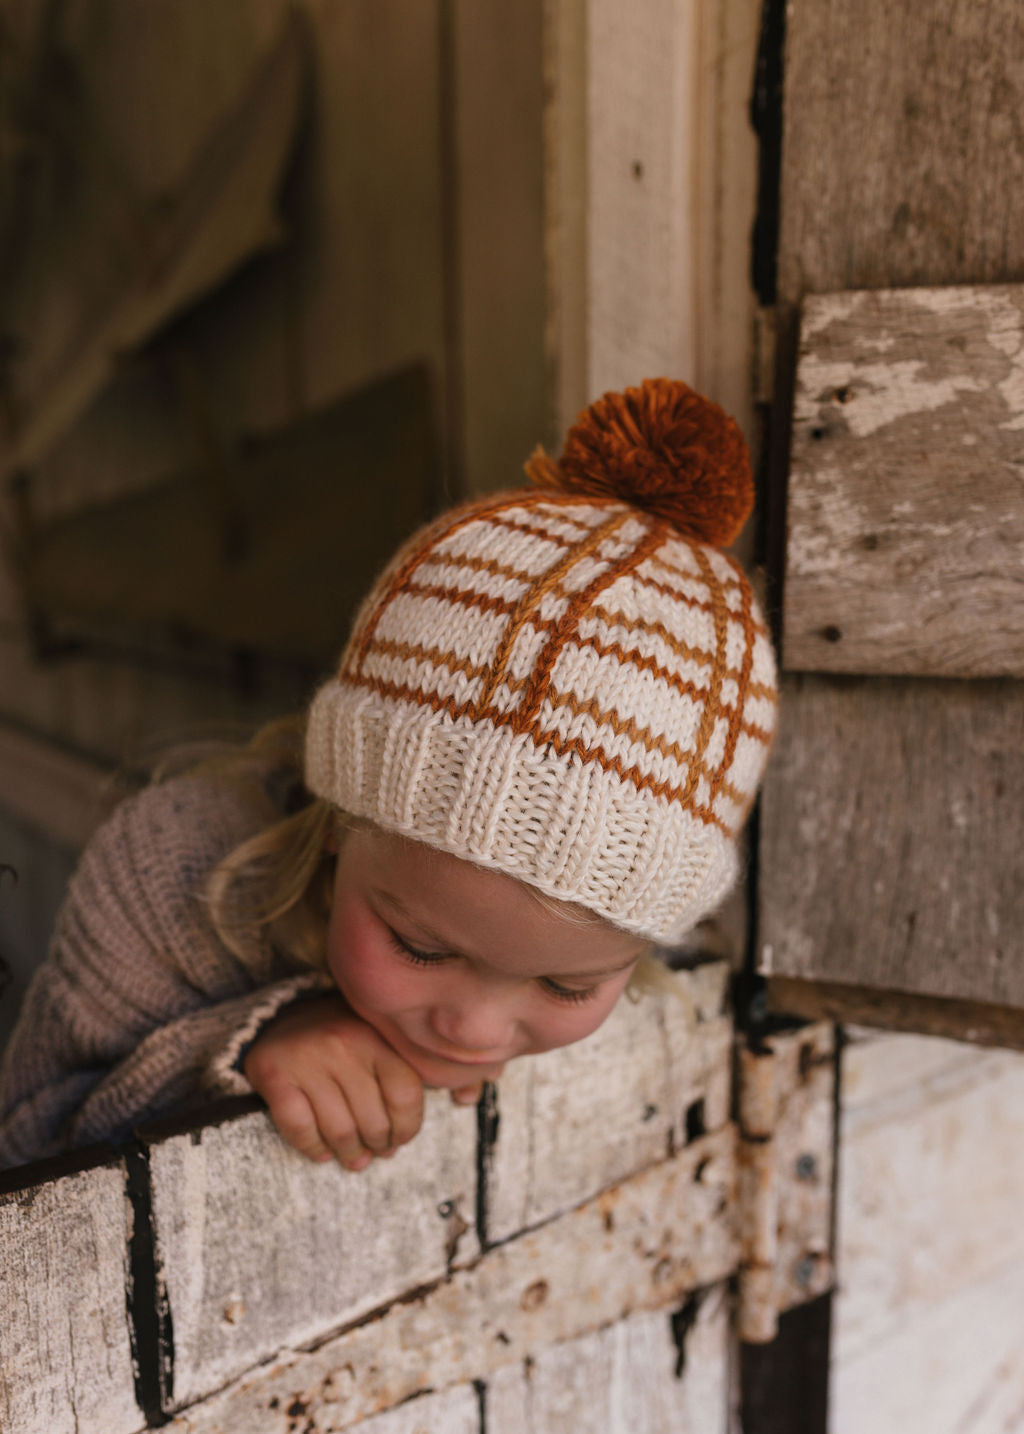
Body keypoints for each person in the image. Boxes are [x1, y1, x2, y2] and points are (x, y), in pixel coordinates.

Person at [0, 379, 778, 1172]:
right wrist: (250, 1042)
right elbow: (30, 1147)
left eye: (567, 989)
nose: (473, 1030)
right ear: (340, 820)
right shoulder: (165, 872)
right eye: (419, 946)